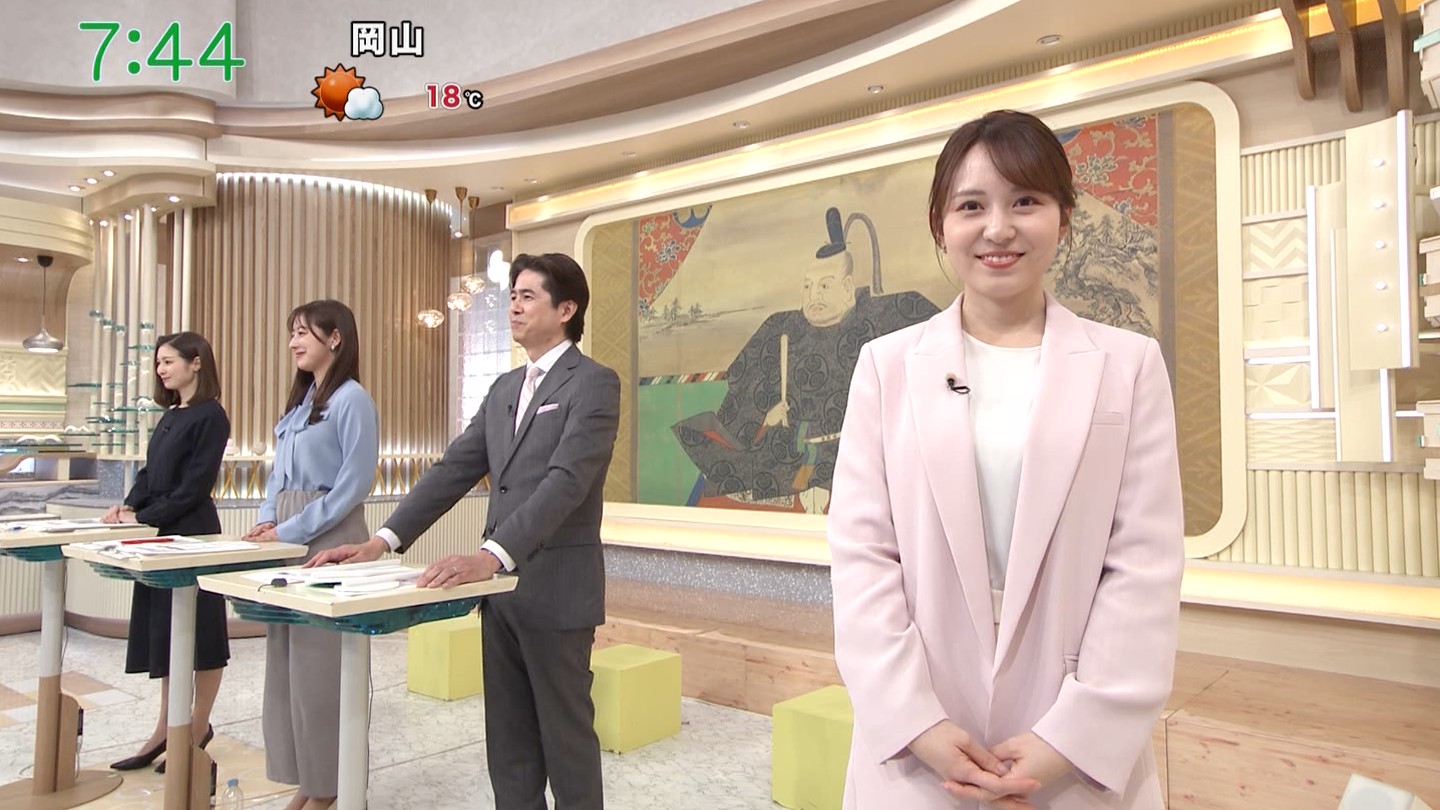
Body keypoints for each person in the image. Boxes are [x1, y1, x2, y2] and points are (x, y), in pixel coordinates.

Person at [827, 109, 1184, 810]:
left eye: (1025, 201)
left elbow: (1143, 561)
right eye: (971, 206)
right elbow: (863, 552)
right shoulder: (885, 366)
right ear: (940, 225)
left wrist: (1073, 737)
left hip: (1072, 746)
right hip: (922, 744)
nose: (998, 228)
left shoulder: (1128, 365)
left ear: (1063, 218)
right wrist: (914, 719)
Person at [309, 252, 619, 810]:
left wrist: (491, 555)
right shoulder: (504, 389)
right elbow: (453, 469)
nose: (514, 306)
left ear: (567, 309)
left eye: (528, 296)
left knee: (567, 741)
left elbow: (566, 482)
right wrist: (382, 541)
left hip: (556, 591)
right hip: (499, 599)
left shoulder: (594, 384)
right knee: (509, 743)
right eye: (512, 296)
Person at [673, 206, 937, 512]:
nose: (814, 296)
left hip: (864, 453)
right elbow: (741, 406)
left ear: (847, 289)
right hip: (790, 455)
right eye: (808, 287)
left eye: (824, 286)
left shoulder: (884, 318)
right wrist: (766, 419)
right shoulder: (782, 329)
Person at [242, 300, 379, 810]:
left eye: (303, 332)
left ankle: (330, 787)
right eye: (292, 333)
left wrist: (291, 528)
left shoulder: (353, 400)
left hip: (331, 539)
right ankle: (307, 780)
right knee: (289, 671)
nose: (294, 342)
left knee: (322, 674)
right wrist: (267, 519)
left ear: (335, 337)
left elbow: (352, 486)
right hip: (288, 541)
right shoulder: (300, 405)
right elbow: (277, 477)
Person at [103, 332, 230, 774]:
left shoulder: (211, 416)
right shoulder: (170, 415)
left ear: (196, 363)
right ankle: (165, 727)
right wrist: (129, 506)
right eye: (158, 362)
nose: (161, 369)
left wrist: (143, 516)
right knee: (166, 635)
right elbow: (150, 473)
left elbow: (194, 486)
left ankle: (196, 726)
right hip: (162, 535)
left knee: (202, 636)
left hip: (194, 535)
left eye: (169, 361)